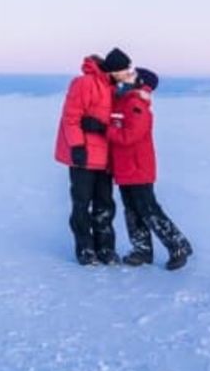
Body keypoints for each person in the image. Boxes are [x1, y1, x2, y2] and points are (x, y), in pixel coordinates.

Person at [106, 67, 194, 270]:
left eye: (131, 75)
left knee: (148, 209)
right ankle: (142, 250)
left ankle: (177, 245)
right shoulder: (124, 100)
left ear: (139, 82)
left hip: (138, 168)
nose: (126, 77)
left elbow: (129, 136)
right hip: (126, 168)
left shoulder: (136, 104)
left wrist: (104, 129)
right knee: (133, 210)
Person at [55, 47, 135, 265]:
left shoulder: (114, 88)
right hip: (84, 156)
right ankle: (85, 250)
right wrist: (77, 146)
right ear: (115, 69)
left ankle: (106, 249)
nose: (128, 72)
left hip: (106, 157)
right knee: (82, 203)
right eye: (125, 68)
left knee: (105, 204)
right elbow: (71, 117)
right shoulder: (84, 83)